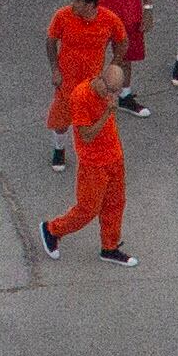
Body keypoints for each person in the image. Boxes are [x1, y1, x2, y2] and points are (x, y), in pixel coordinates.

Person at [40, 56, 135, 264]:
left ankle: (109, 247)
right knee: (88, 208)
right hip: (93, 162)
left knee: (115, 203)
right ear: (100, 79)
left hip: (114, 156)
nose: (112, 96)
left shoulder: (107, 93)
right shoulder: (81, 96)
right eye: (109, 90)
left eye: (116, 92)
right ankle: (52, 229)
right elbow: (86, 135)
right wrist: (106, 113)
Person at [44, 0, 127, 170]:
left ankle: (94, 155)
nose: (73, 4)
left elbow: (122, 41)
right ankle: (59, 149)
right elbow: (50, 41)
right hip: (67, 81)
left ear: (90, 5)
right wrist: (55, 70)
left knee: (95, 119)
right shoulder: (63, 16)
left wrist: (113, 66)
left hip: (93, 83)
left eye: (78, 1)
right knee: (61, 119)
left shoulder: (109, 20)